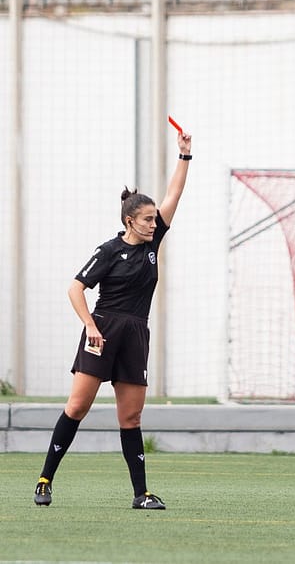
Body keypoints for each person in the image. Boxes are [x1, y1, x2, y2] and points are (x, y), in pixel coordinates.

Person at [34, 130, 193, 510]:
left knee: (131, 416)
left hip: (136, 332)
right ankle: (44, 480)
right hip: (103, 329)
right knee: (77, 406)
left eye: (156, 219)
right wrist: (90, 325)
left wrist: (185, 156)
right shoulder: (109, 250)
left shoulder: (153, 244)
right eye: (147, 219)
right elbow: (75, 288)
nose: (155, 224)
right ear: (129, 220)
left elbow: (173, 196)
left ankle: (141, 494)